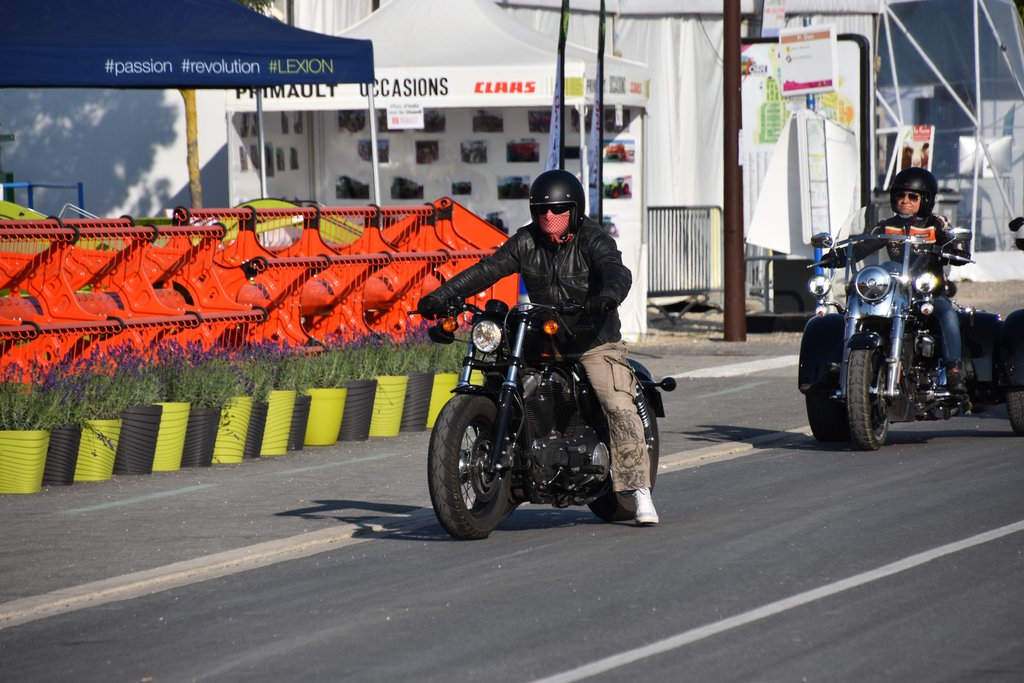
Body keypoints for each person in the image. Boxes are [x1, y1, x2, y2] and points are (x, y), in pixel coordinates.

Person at [416, 169, 658, 525]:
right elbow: (488, 269)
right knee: (501, 373)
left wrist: (608, 296)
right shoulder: (526, 241)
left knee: (617, 403)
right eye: (542, 210)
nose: (548, 217)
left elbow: (615, 270)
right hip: (545, 335)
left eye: (557, 210)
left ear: (574, 211)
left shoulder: (593, 239)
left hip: (591, 338)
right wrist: (442, 296)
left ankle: (639, 491)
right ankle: (515, 466)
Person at [827, 167, 971, 391]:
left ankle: (954, 370)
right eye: (900, 195)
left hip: (928, 292)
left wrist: (955, 248)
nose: (905, 200)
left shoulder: (936, 223)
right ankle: (841, 360)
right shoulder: (887, 225)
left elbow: (951, 241)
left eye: (912, 196)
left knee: (947, 315)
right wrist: (838, 255)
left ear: (926, 200)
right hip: (896, 292)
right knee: (855, 310)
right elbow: (864, 244)